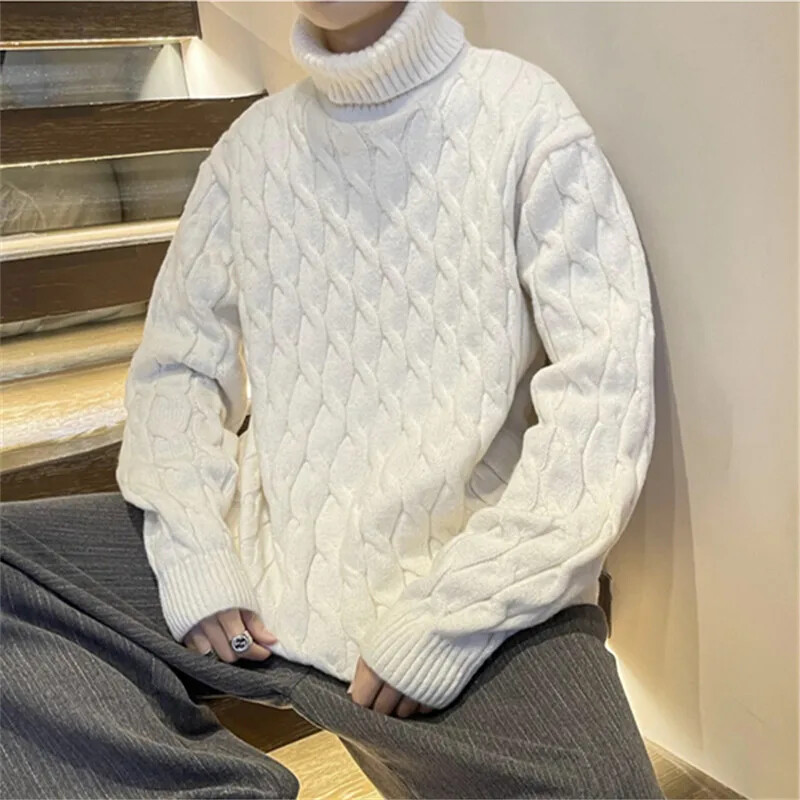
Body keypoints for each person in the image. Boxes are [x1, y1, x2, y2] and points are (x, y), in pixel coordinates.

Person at [0, 1, 664, 797]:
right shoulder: (249, 150)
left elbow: (602, 401)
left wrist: (456, 611)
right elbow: (177, 371)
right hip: (261, 560)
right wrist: (195, 551)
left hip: (455, 575)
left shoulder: (525, 120)